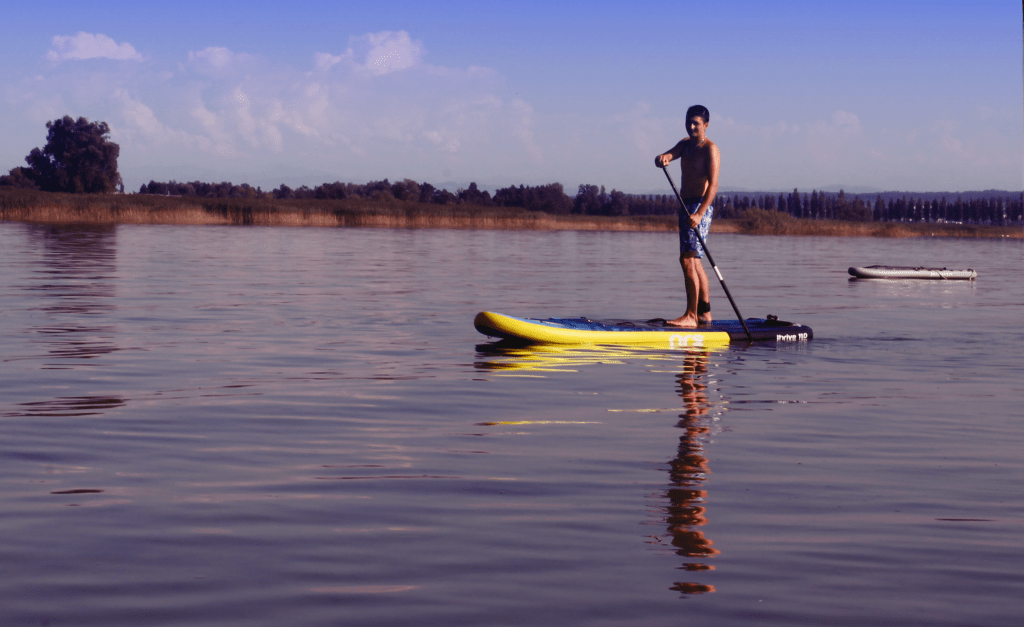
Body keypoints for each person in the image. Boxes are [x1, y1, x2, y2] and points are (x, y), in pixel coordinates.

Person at [655, 104, 720, 328]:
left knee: (687, 259)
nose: (691, 126)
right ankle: (705, 314)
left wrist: (700, 214)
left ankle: (691, 316)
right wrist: (662, 158)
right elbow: (670, 154)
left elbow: (713, 186)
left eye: (696, 123)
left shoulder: (710, 149)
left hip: (700, 208)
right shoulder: (685, 144)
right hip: (685, 206)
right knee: (696, 261)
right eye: (688, 122)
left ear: (706, 125)